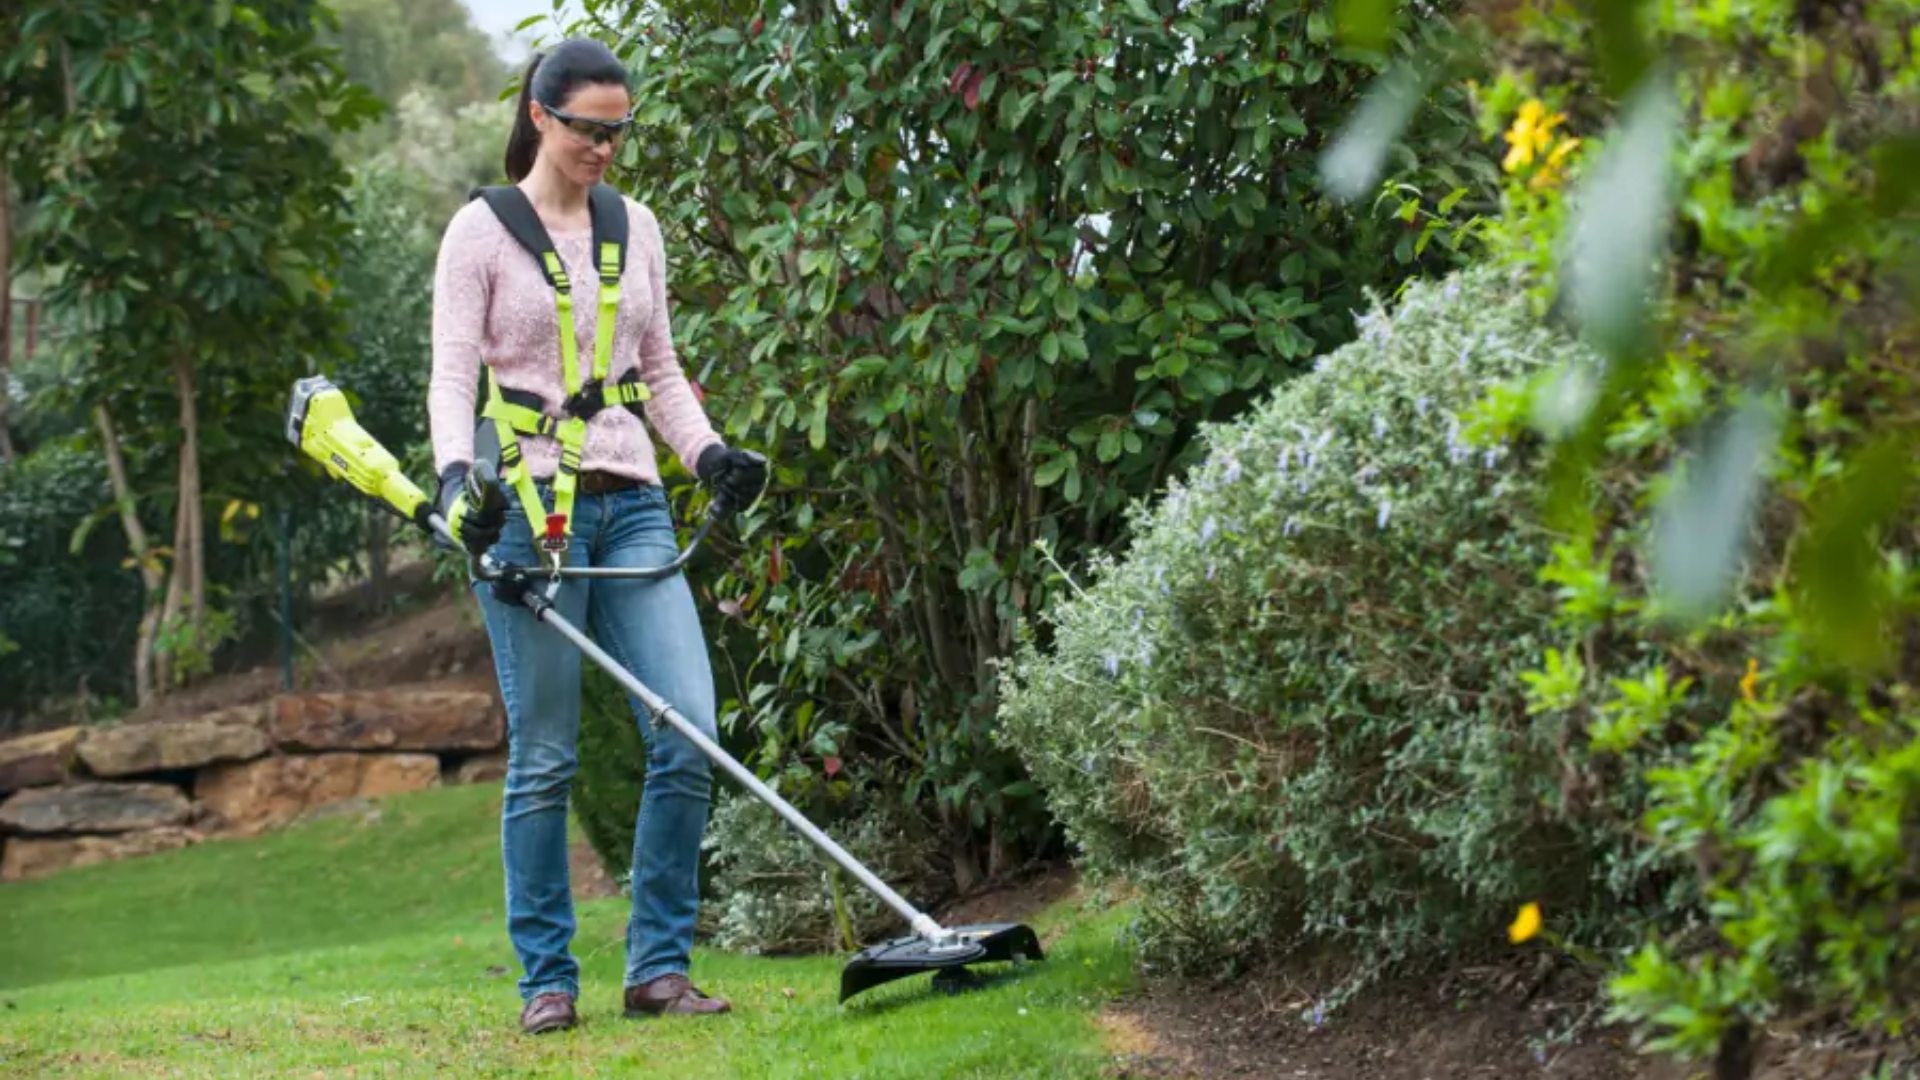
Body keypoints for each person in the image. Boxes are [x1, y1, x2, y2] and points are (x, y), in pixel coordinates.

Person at [425, 36, 767, 1036]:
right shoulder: (479, 234)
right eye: (589, 129)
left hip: (632, 506)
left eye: (620, 131)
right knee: (545, 757)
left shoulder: (636, 227)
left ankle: (658, 967)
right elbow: (452, 378)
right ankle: (549, 980)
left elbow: (658, 371)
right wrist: (457, 479)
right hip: (528, 514)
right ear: (541, 116)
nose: (607, 149)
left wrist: (707, 455)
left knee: (689, 728)